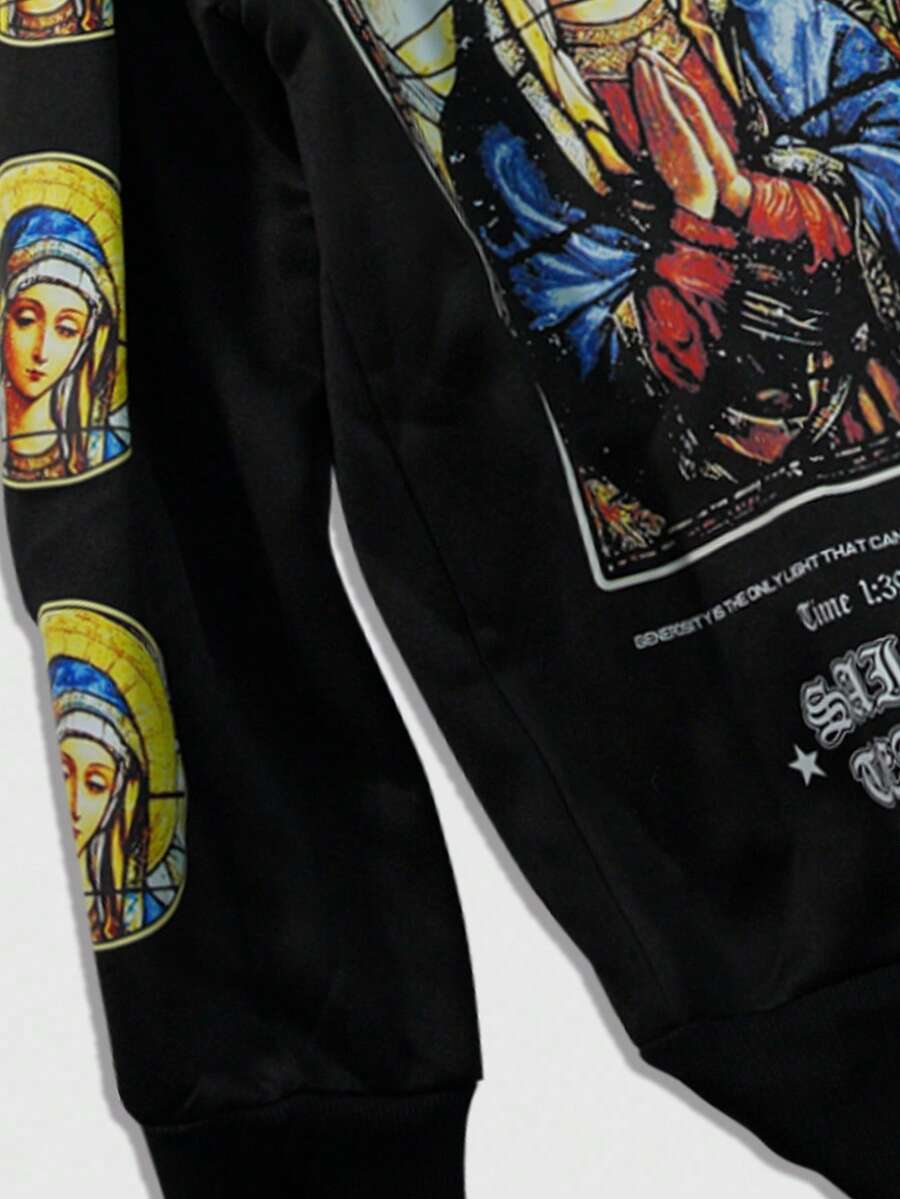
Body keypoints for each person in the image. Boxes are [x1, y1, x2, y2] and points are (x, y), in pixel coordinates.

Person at [0, 196, 128, 485]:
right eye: (26, 320)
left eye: (67, 329)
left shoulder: (106, 454)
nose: (42, 351)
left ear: (86, 343)